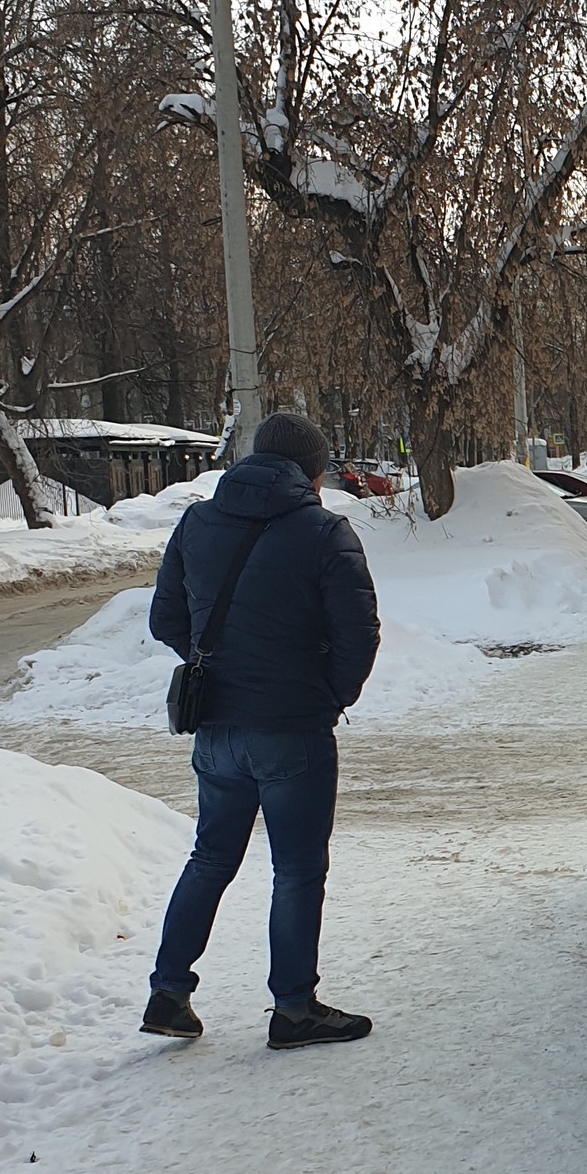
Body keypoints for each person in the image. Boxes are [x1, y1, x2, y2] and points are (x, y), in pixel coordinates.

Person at [143, 411, 381, 1047]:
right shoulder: (324, 531)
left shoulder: (197, 521)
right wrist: (328, 694)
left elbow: (165, 617)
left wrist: (213, 666)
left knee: (211, 856)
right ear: (314, 471)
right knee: (297, 871)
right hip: (293, 728)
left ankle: (168, 991)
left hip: (215, 728)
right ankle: (294, 1009)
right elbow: (358, 634)